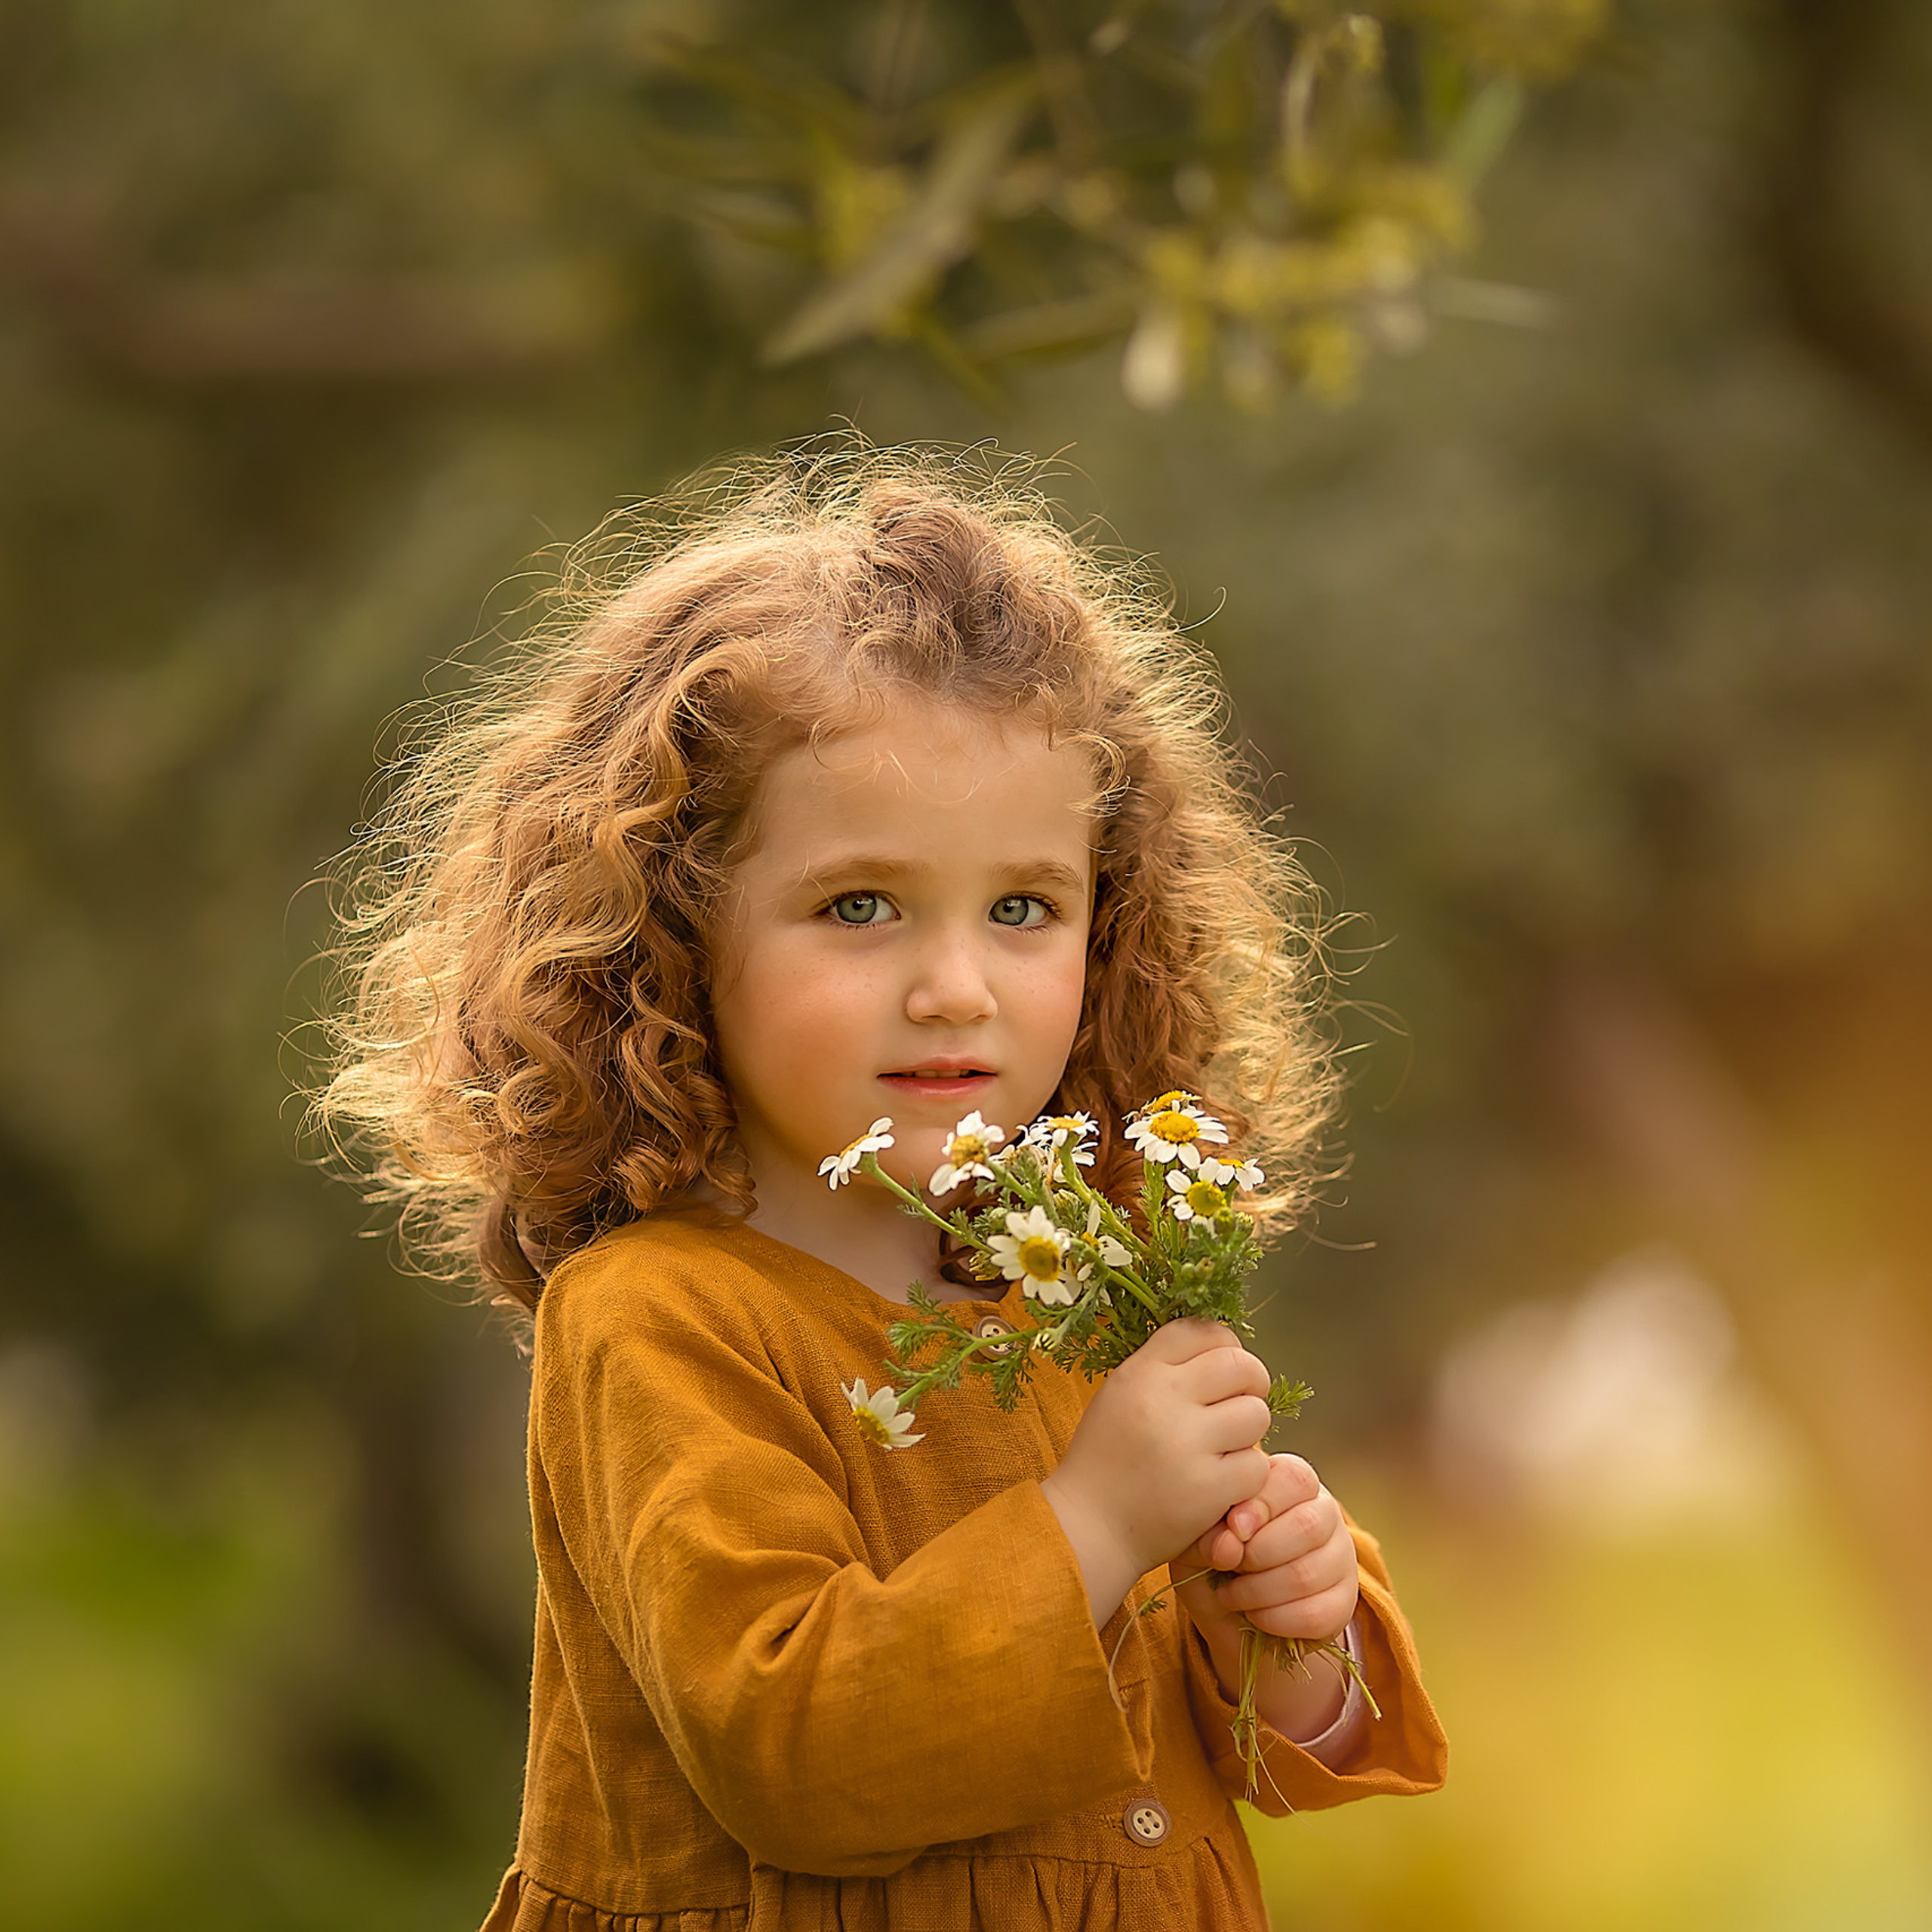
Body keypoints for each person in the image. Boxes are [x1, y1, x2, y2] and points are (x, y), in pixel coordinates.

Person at [318, 448, 1447, 1932]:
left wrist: (1283, 1638)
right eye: (859, 905)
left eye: (1024, 907)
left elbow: (1196, 1758)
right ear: (670, 936)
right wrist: (1097, 1519)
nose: (954, 986)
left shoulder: (1079, 1289)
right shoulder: (659, 1317)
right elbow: (793, 1748)